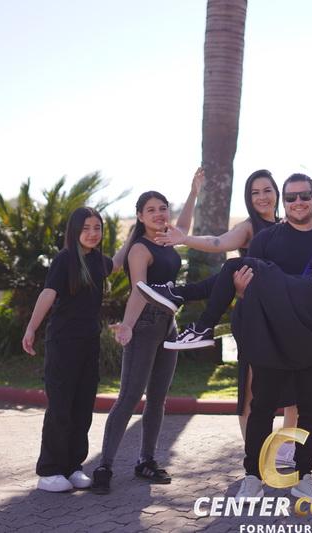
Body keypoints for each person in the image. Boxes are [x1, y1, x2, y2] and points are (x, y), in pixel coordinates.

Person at [141, 175, 312, 502]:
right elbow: (223, 248)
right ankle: (253, 477)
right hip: (280, 322)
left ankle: (304, 477)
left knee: (311, 411)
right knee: (262, 406)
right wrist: (242, 290)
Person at [148, 173, 312, 464]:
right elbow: (217, 241)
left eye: (267, 190)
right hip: (255, 313)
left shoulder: (294, 227)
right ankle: (257, 455)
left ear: (278, 194)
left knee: (296, 394)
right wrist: (185, 239)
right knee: (252, 392)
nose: (262, 197)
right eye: (255, 192)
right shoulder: (253, 229)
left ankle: (288, 449)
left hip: (290, 316)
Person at [89, 168, 202, 495]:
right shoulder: (140, 248)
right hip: (145, 324)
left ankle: (146, 461)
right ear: (140, 216)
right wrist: (127, 325)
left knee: (157, 399)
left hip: (169, 324)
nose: (158, 214)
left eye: (162, 208)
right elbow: (139, 290)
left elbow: (184, 227)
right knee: (129, 396)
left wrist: (193, 192)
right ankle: (104, 466)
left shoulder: (168, 239)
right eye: (151, 210)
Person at [22, 206, 119, 493]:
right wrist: (31, 328)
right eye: (86, 228)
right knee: (61, 407)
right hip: (63, 343)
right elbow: (48, 293)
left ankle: (73, 467)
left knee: (83, 407)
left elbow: (120, 261)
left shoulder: (99, 261)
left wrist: (140, 232)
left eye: (97, 228)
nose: (92, 233)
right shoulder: (64, 260)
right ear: (75, 231)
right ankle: (49, 471)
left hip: (89, 343)